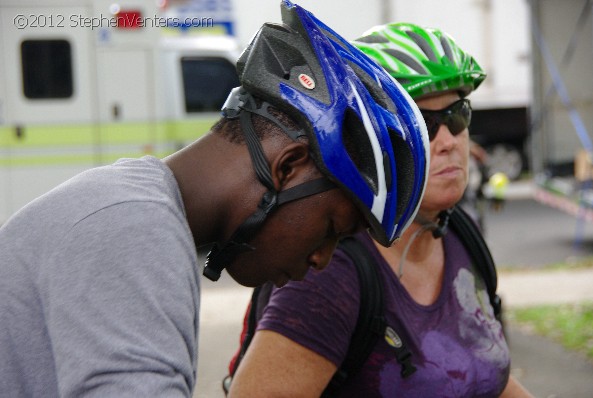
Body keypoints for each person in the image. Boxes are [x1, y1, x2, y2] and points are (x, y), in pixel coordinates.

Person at [0, 5, 430, 397]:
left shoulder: (136, 208)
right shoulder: (134, 229)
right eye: (333, 230)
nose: (321, 259)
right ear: (287, 167)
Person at [226, 22, 533, 397]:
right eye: (424, 124)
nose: (449, 140)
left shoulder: (461, 235)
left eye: (457, 115)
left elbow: (485, 377)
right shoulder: (331, 273)